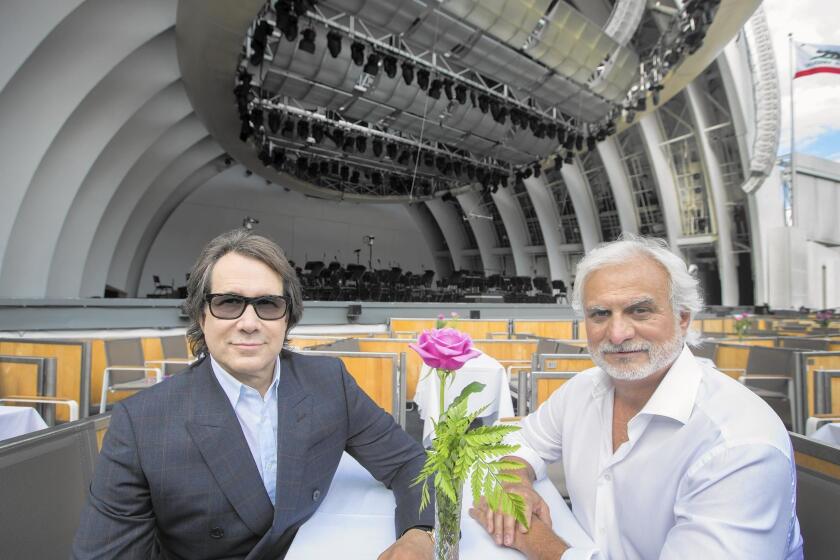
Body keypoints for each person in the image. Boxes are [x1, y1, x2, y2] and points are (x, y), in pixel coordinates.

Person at [73, 230, 433, 559]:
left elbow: (408, 462)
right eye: (229, 303)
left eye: (268, 305)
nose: (249, 322)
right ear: (201, 316)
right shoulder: (140, 425)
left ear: (287, 317)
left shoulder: (328, 382)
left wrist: (419, 535)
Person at [470, 234, 803, 559]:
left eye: (640, 311)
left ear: (683, 317)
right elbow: (522, 443)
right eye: (600, 314)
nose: (617, 334)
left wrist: (533, 539)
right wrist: (514, 485)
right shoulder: (583, 389)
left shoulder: (737, 444)